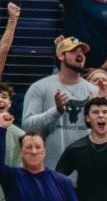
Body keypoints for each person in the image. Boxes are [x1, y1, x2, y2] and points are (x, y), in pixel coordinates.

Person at [21, 36, 99, 167]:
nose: (80, 54)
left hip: (86, 174)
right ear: (61, 56)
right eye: (74, 51)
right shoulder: (40, 88)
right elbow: (28, 127)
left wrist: (101, 110)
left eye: (82, 51)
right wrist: (56, 111)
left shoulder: (94, 90)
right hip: (51, 173)